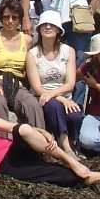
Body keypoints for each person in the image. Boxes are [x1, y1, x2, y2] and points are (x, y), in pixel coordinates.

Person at [0, 0, 46, 128]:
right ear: (1, 18)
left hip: (18, 83)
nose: (10, 21)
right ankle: (1, 139)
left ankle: (39, 137)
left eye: (14, 17)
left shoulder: (27, 40)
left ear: (19, 19)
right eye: (6, 17)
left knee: (32, 104)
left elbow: (30, 68)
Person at [27, 11, 82, 157]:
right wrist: (58, 98)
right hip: (43, 98)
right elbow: (36, 87)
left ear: (58, 30)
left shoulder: (68, 51)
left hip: (64, 96)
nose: (48, 27)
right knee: (54, 106)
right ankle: (67, 149)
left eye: (51, 25)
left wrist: (59, 96)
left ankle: (73, 144)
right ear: (39, 29)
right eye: (44, 24)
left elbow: (70, 83)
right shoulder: (33, 54)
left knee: (74, 116)